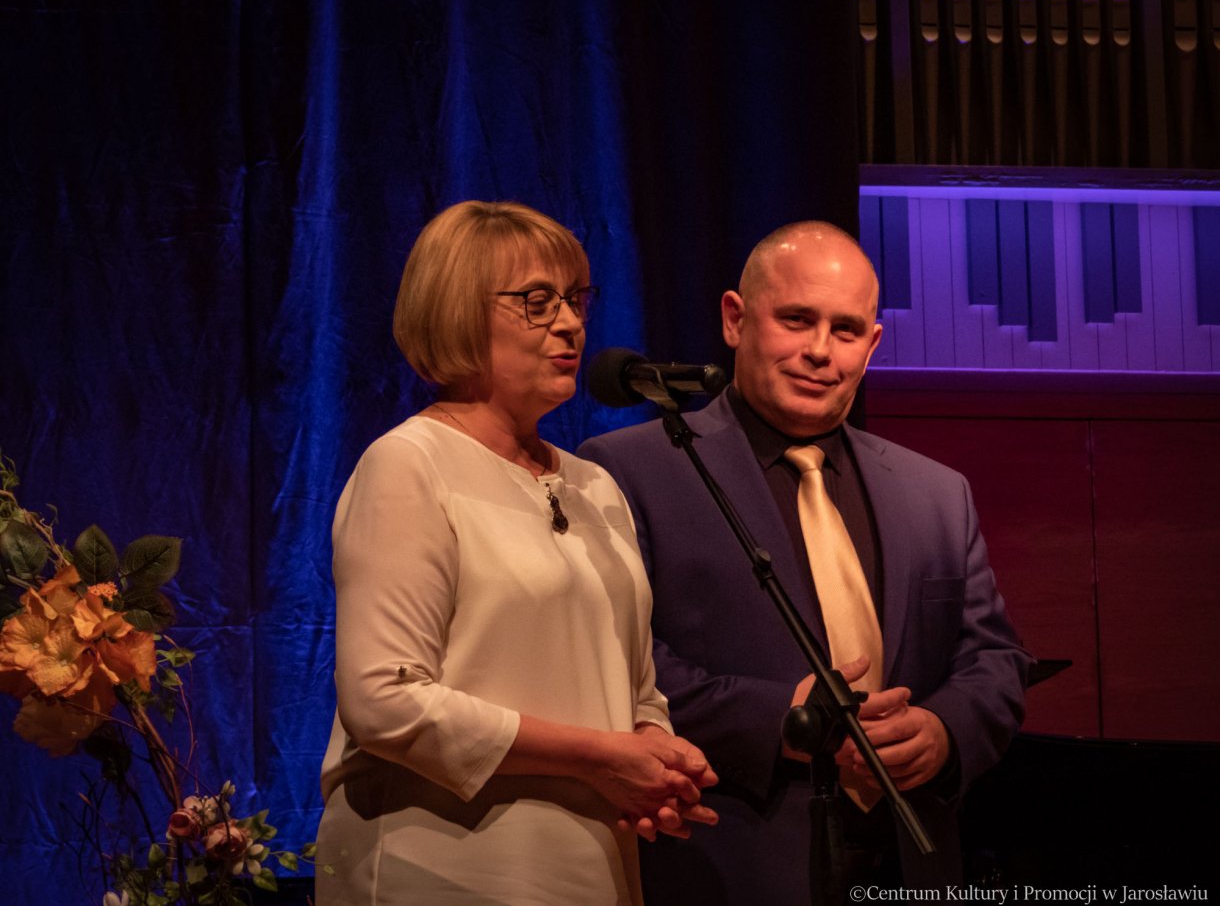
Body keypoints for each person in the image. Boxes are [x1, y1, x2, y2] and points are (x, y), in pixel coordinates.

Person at [579, 221, 1031, 902]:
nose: (820, 350)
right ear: (735, 320)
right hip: (730, 865)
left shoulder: (937, 493)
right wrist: (783, 720)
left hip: (913, 864)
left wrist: (942, 732)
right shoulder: (626, 470)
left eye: (846, 330)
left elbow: (995, 659)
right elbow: (615, 662)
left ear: (871, 345)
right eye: (796, 319)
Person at [315, 200, 717, 905]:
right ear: (457, 311)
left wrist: (654, 752)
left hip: (589, 864)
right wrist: (602, 757)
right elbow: (384, 701)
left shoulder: (594, 485)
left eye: (575, 299)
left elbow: (632, 685)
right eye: (537, 301)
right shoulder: (410, 464)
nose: (570, 323)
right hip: (446, 869)